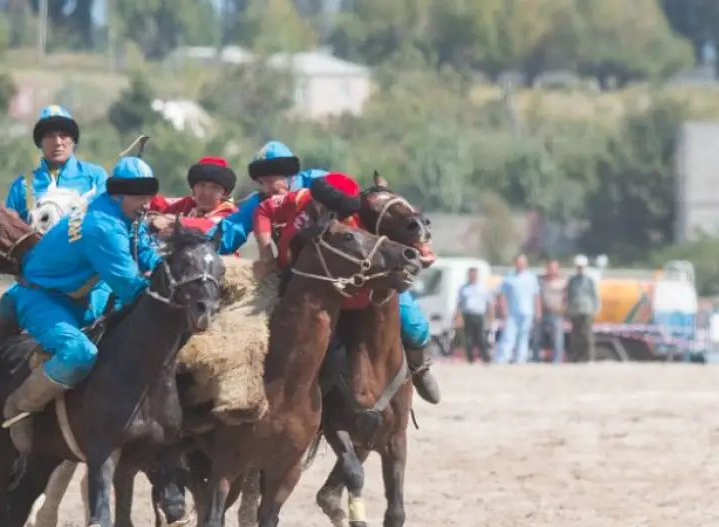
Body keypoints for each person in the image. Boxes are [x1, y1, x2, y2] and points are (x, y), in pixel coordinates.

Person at [2, 156, 163, 455]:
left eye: (148, 196)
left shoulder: (119, 210)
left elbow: (144, 249)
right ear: (118, 194)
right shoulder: (103, 226)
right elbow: (131, 287)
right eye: (140, 197)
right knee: (80, 354)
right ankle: (20, 405)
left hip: (80, 295)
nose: (146, 203)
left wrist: (167, 266)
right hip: (41, 297)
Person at [246, 169, 442, 404]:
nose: (324, 212)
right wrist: (266, 251)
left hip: (348, 294)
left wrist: (421, 253)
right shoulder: (300, 199)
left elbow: (402, 241)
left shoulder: (358, 225)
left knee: (412, 324)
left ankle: (419, 368)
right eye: (321, 204)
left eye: (333, 210)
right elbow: (264, 210)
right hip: (289, 283)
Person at [5, 106, 108, 222]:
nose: (58, 142)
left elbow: (104, 222)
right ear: (39, 142)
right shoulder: (22, 186)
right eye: (50, 136)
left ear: (73, 141)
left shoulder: (94, 178)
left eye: (64, 135)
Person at [148, 156, 239, 234]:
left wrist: (175, 222)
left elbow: (210, 226)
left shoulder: (230, 214)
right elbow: (154, 202)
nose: (206, 192)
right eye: (201, 185)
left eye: (215, 187)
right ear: (193, 188)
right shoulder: (187, 203)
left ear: (225, 193)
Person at [495, 254, 541, 364]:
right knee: (508, 335)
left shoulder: (531, 277)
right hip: (512, 312)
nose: (520, 265)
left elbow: (536, 295)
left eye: (522, 262)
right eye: (518, 262)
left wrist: (538, 311)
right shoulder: (509, 277)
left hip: (528, 312)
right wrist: (503, 308)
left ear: (526, 264)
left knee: (524, 337)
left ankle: (521, 359)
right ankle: (502, 359)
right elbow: (502, 294)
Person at [564, 254, 599, 363]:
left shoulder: (589, 280)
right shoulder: (572, 280)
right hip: (574, 311)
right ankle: (575, 357)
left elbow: (594, 295)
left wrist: (595, 309)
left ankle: (589, 357)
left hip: (587, 311)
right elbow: (569, 295)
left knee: (587, 336)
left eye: (582, 267)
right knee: (575, 336)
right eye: (578, 267)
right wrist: (568, 309)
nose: (580, 269)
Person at [456, 266, 493, 364]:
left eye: (474, 274)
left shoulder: (483, 287)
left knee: (481, 337)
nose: (472, 276)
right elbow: (459, 304)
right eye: (471, 274)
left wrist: (490, 317)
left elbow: (489, 303)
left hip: (479, 315)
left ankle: (485, 358)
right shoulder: (463, 288)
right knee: (468, 338)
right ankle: (470, 359)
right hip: (468, 315)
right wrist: (458, 317)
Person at [539, 259, 566, 363]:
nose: (552, 270)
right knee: (538, 337)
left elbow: (566, 296)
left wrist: (563, 308)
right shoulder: (541, 281)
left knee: (557, 338)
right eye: (550, 268)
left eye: (554, 268)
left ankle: (557, 360)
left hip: (556, 313)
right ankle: (536, 359)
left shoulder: (563, 281)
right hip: (543, 312)